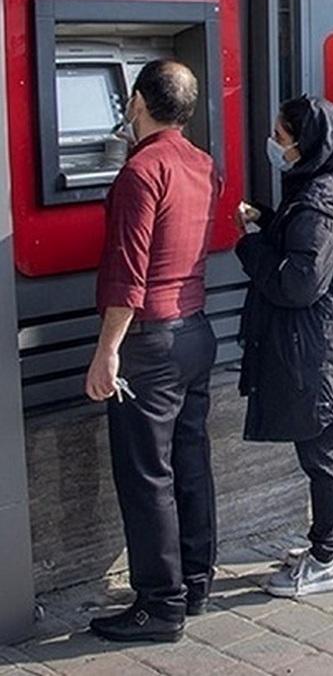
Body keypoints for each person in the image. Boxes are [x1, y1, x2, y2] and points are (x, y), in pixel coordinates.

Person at [85, 60, 220, 643]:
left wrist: (106, 352)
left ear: (136, 100)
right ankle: (194, 581)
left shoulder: (141, 172)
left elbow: (127, 275)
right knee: (189, 462)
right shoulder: (201, 164)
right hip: (195, 332)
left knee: (146, 476)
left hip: (149, 342)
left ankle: (159, 606)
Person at [235, 97, 333, 597]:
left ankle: (323, 560)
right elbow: (307, 250)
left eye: (281, 135)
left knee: (321, 451)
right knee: (332, 447)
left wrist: (251, 246)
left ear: (308, 142)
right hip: (327, 341)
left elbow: (298, 283)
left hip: (316, 349)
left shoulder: (320, 204)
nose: (275, 144)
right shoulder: (331, 191)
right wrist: (271, 220)